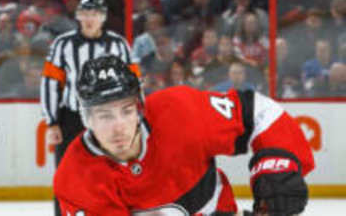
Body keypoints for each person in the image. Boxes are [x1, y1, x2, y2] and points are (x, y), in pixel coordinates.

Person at [54, 55, 314, 215]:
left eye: (126, 110)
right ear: (87, 119)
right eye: (104, 115)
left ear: (140, 108)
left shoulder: (179, 111)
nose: (119, 126)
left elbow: (259, 112)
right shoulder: (75, 177)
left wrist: (278, 163)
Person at [40, 0, 139, 216]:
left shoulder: (118, 45)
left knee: (116, 172)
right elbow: (50, 84)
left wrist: (136, 119)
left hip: (110, 119)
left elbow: (134, 84)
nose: (89, 18)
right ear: (78, 15)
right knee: (67, 175)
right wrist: (52, 121)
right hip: (72, 119)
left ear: (103, 17)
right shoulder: (63, 45)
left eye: (94, 13)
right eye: (85, 12)